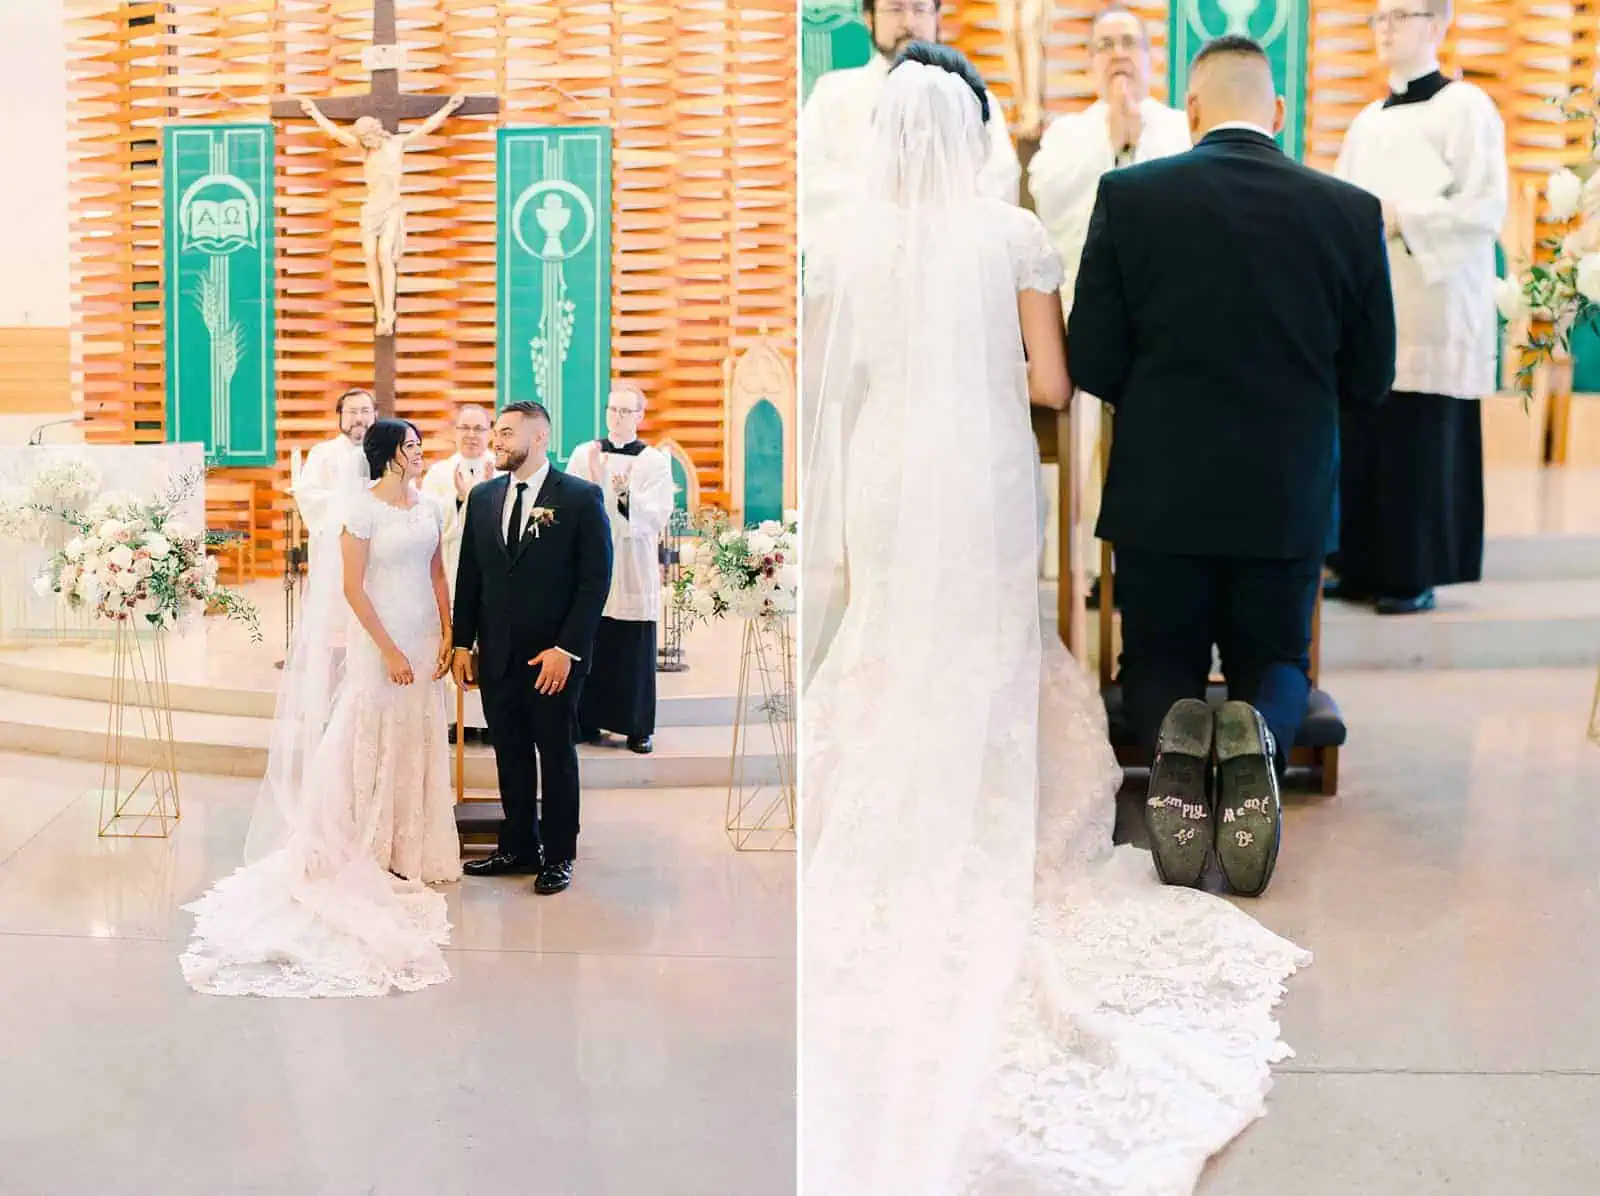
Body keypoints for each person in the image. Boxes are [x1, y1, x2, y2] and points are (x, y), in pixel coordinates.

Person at [802, 41, 1311, 1195]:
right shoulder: (1011, 233)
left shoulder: (845, 242)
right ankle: (992, 801)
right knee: (982, 636)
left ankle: (885, 805)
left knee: (890, 627)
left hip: (887, 464)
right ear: (974, 130)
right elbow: (1050, 382)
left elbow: (842, 377)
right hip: (975, 462)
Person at [1067, 36, 1396, 896]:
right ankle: (1260, 734)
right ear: (1277, 112)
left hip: (1159, 497)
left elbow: (1092, 361)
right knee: (1278, 660)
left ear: (1194, 108)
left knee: (1158, 660)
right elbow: (1372, 379)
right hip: (1283, 499)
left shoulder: (1130, 197)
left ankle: (1178, 738)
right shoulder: (1349, 211)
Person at [180, 419, 463, 998]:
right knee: (369, 723)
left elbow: (437, 570)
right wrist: (386, 649)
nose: (418, 453)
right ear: (387, 455)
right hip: (379, 635)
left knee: (420, 729)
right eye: (410, 446)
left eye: (418, 446)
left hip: (423, 629)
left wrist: (448, 632)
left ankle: (413, 845)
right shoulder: (360, 512)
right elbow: (354, 589)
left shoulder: (431, 506)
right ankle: (367, 838)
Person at [1325, 0, 1507, 615]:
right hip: (1375, 299)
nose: (1385, 30)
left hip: (1434, 296)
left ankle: (1411, 573)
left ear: (1437, 24)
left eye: (1399, 17)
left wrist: (1407, 217)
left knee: (1419, 441)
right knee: (1366, 432)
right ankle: (1356, 564)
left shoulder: (1466, 107)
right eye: (1378, 19)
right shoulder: (1366, 120)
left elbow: (1485, 206)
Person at [1028, 3, 1192, 609]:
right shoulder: (1067, 135)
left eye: (1130, 41)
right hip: (1093, 315)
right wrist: (1114, 146)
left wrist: (1135, 145)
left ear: (1151, 56)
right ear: (1090, 62)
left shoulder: (1180, 128)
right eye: (1105, 45)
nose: (1119, 54)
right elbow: (1052, 201)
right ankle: (1095, 564)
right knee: (1090, 437)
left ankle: (1154, 560)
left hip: (1169, 317)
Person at [451, 401, 612, 897]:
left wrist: (568, 648)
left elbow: (594, 581)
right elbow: (471, 575)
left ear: (539, 438)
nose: (495, 442)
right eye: (496, 434)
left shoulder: (581, 498)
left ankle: (559, 854)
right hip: (497, 655)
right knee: (511, 755)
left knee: (556, 755)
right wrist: (462, 641)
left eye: (504, 434)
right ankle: (519, 844)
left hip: (553, 660)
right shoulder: (482, 497)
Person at [799, 0, 1020, 250]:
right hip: (863, 260)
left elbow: (1000, 181)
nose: (909, 23)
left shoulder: (971, 99)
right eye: (895, 9)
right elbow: (811, 183)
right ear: (868, 18)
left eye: (920, 9)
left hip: (949, 259)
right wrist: (889, 216)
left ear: (937, 16)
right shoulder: (833, 95)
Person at [565, 384, 677, 755]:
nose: (617, 417)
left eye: (626, 411)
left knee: (631, 646)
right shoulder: (586, 453)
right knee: (591, 640)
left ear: (640, 416)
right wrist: (597, 481)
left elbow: (657, 513)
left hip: (631, 561)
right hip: (590, 561)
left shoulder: (654, 461)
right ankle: (586, 720)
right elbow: (570, 502)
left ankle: (636, 728)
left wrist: (622, 494)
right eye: (612, 409)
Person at [298, 94, 467, 335]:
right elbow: (335, 133)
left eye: (368, 137)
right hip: (371, 210)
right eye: (363, 140)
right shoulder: (364, 150)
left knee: (384, 254)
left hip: (391, 208)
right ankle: (380, 310)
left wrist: (449, 108)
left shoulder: (396, 144)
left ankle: (389, 310)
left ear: (376, 131)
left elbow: (427, 127)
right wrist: (314, 113)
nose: (366, 142)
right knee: (369, 256)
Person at [420, 402, 495, 744]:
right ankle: (454, 719)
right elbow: (427, 526)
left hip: (493, 573)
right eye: (465, 428)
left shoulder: (504, 471)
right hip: (451, 565)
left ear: (490, 432)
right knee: (454, 637)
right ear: (455, 432)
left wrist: (479, 500)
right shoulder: (438, 475)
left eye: (479, 428)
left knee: (487, 640)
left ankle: (487, 719)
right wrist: (463, 503)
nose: (472, 436)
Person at [293, 387, 376, 548]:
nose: (359, 418)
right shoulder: (322, 453)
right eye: (352, 412)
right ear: (340, 415)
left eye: (365, 411)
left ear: (375, 415)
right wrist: (356, 503)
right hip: (333, 546)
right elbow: (309, 497)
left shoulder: (387, 454)